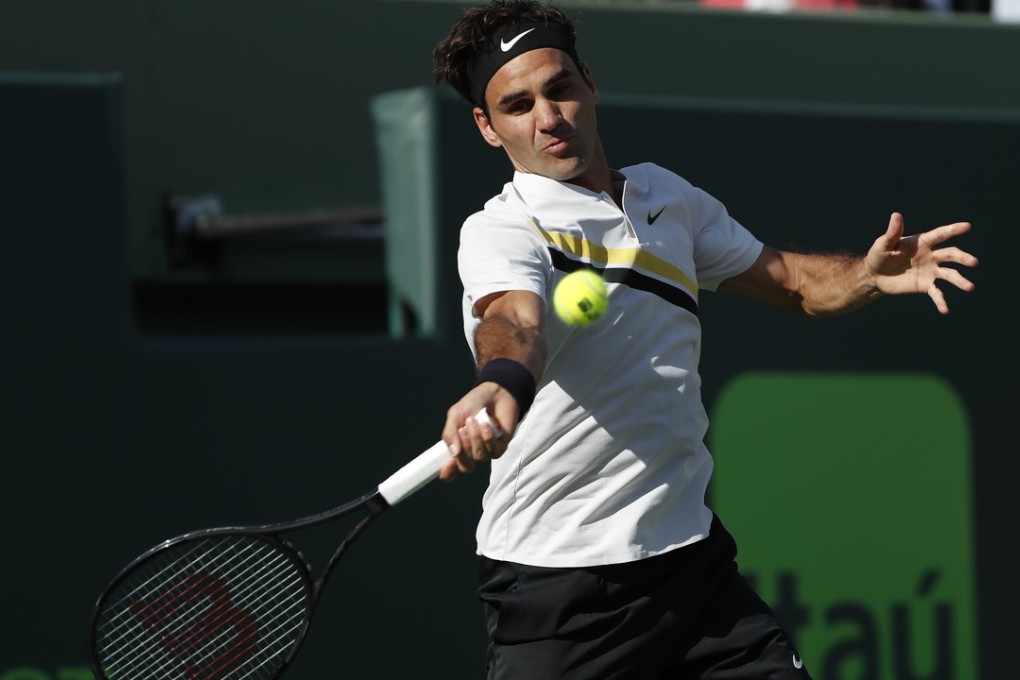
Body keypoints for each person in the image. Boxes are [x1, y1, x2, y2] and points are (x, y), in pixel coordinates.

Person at [431, 1, 978, 678]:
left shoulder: (670, 199)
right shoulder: (502, 232)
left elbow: (793, 284)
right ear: (488, 127)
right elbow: (514, 322)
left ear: (589, 83)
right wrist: (503, 381)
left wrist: (865, 274)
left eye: (560, 88)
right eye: (518, 105)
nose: (549, 118)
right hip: (561, 589)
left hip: (694, 573)